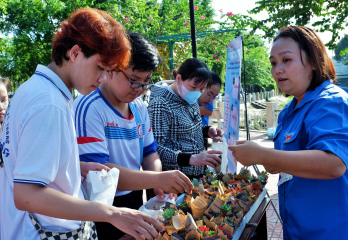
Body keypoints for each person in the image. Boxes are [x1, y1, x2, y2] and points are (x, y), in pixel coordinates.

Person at [0, 8, 164, 240]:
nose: (103, 78)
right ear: (75, 53)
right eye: (100, 68)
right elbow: (27, 195)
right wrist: (112, 214)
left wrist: (75, 168)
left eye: (109, 71)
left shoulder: (38, 89)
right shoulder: (50, 104)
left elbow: (24, 162)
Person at [229, 26, 348, 239]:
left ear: (312, 61)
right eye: (273, 63)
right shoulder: (288, 112)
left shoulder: (330, 102)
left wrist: (262, 155)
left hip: (330, 231)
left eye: (286, 60)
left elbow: (335, 163)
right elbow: (287, 161)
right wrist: (269, 161)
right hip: (296, 229)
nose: (277, 70)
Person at [74, 32, 193, 240]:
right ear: (112, 69)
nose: (139, 89)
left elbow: (150, 154)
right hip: (101, 205)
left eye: (145, 82)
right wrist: (157, 178)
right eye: (134, 80)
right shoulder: (89, 107)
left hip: (135, 193)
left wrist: (157, 182)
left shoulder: (138, 106)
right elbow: (100, 175)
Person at [148, 58, 223, 180]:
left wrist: (207, 130)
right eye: (194, 87)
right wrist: (191, 159)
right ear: (178, 79)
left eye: (202, 89)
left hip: (196, 176)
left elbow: (184, 128)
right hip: (174, 178)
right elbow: (155, 149)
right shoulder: (160, 104)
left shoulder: (189, 98)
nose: (198, 92)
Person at [198, 71, 221, 149]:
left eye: (215, 96)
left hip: (202, 132)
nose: (211, 99)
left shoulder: (207, 100)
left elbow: (209, 112)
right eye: (209, 94)